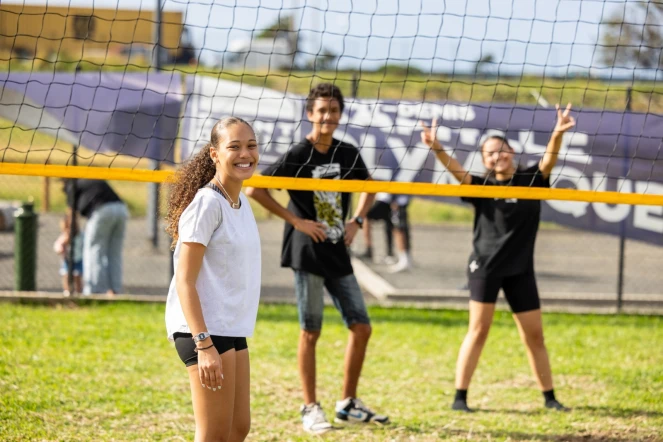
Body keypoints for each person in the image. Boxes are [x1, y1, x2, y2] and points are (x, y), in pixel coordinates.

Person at [245, 83, 389, 434]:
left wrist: (357, 220)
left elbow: (371, 187)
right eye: (321, 110)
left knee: (361, 326)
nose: (327, 116)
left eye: (333, 110)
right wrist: (296, 220)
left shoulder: (347, 152)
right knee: (311, 331)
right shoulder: (298, 154)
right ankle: (310, 407)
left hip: (337, 250)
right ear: (310, 114)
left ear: (340, 115)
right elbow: (254, 189)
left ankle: (348, 403)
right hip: (306, 250)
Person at [420, 103, 576, 412]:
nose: (496, 156)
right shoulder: (481, 186)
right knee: (478, 331)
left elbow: (549, 160)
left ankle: (550, 398)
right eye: (489, 154)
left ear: (512, 151)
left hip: (520, 270)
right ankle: (460, 398)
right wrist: (437, 148)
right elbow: (458, 172)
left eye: (500, 150)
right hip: (485, 268)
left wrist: (557, 133)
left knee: (534, 336)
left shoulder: (532, 180)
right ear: (484, 160)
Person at [164, 117, 261, 442]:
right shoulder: (207, 203)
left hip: (230, 327)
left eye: (251, 145)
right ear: (214, 154)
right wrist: (203, 344)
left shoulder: (240, 201)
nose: (245, 153)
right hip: (203, 331)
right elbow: (184, 281)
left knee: (237, 429)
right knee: (214, 434)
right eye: (234, 146)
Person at [63, 178, 128, 295]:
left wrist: (69, 236)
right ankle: (115, 290)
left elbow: (71, 216)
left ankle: (95, 291)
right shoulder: (89, 176)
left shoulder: (71, 185)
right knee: (114, 253)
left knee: (94, 250)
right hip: (121, 209)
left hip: (101, 211)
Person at [361, 193, 413, 273]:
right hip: (390, 197)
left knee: (399, 226)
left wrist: (395, 198)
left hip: (395, 197)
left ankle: (404, 258)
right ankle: (392, 254)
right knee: (392, 225)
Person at [53, 211, 84, 296]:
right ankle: (67, 292)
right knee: (66, 276)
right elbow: (58, 245)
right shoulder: (64, 236)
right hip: (67, 261)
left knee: (77, 277)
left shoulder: (81, 235)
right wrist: (61, 248)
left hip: (78, 259)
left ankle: (79, 293)